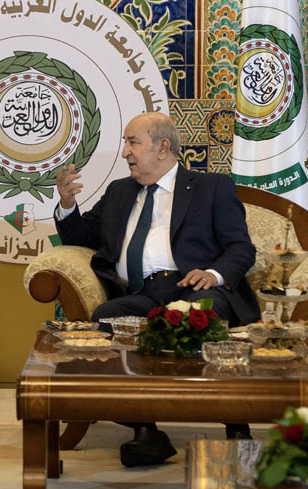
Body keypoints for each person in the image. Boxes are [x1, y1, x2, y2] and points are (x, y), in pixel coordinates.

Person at [54, 112, 259, 466]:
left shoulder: (211, 187)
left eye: (132, 142)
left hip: (194, 288)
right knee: (105, 319)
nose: (125, 152)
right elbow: (81, 237)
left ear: (162, 146)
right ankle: (146, 431)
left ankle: (236, 423)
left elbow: (241, 248)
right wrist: (67, 203)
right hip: (143, 295)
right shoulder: (120, 192)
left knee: (201, 315)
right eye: (125, 143)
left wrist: (213, 273)